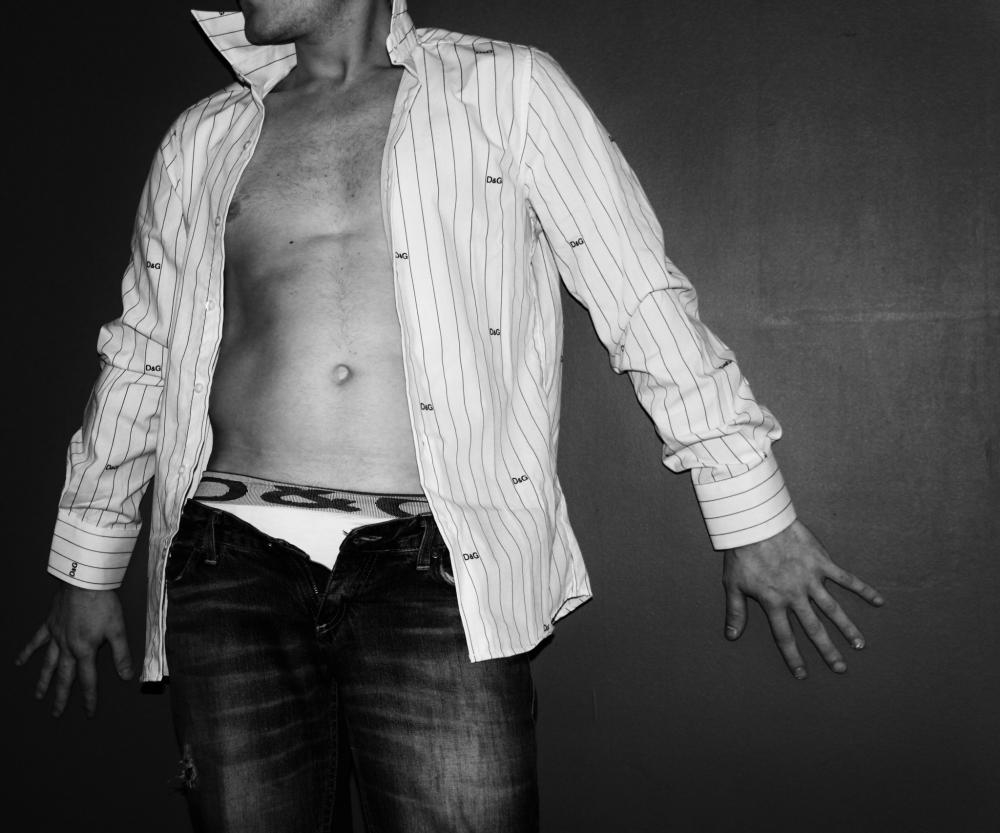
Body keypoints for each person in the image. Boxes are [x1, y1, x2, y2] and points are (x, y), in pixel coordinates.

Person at [17, 1, 886, 830]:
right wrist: (90, 563)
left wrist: (748, 508)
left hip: (437, 566)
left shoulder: (507, 89)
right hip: (227, 559)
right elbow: (142, 351)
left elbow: (640, 297)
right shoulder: (202, 139)